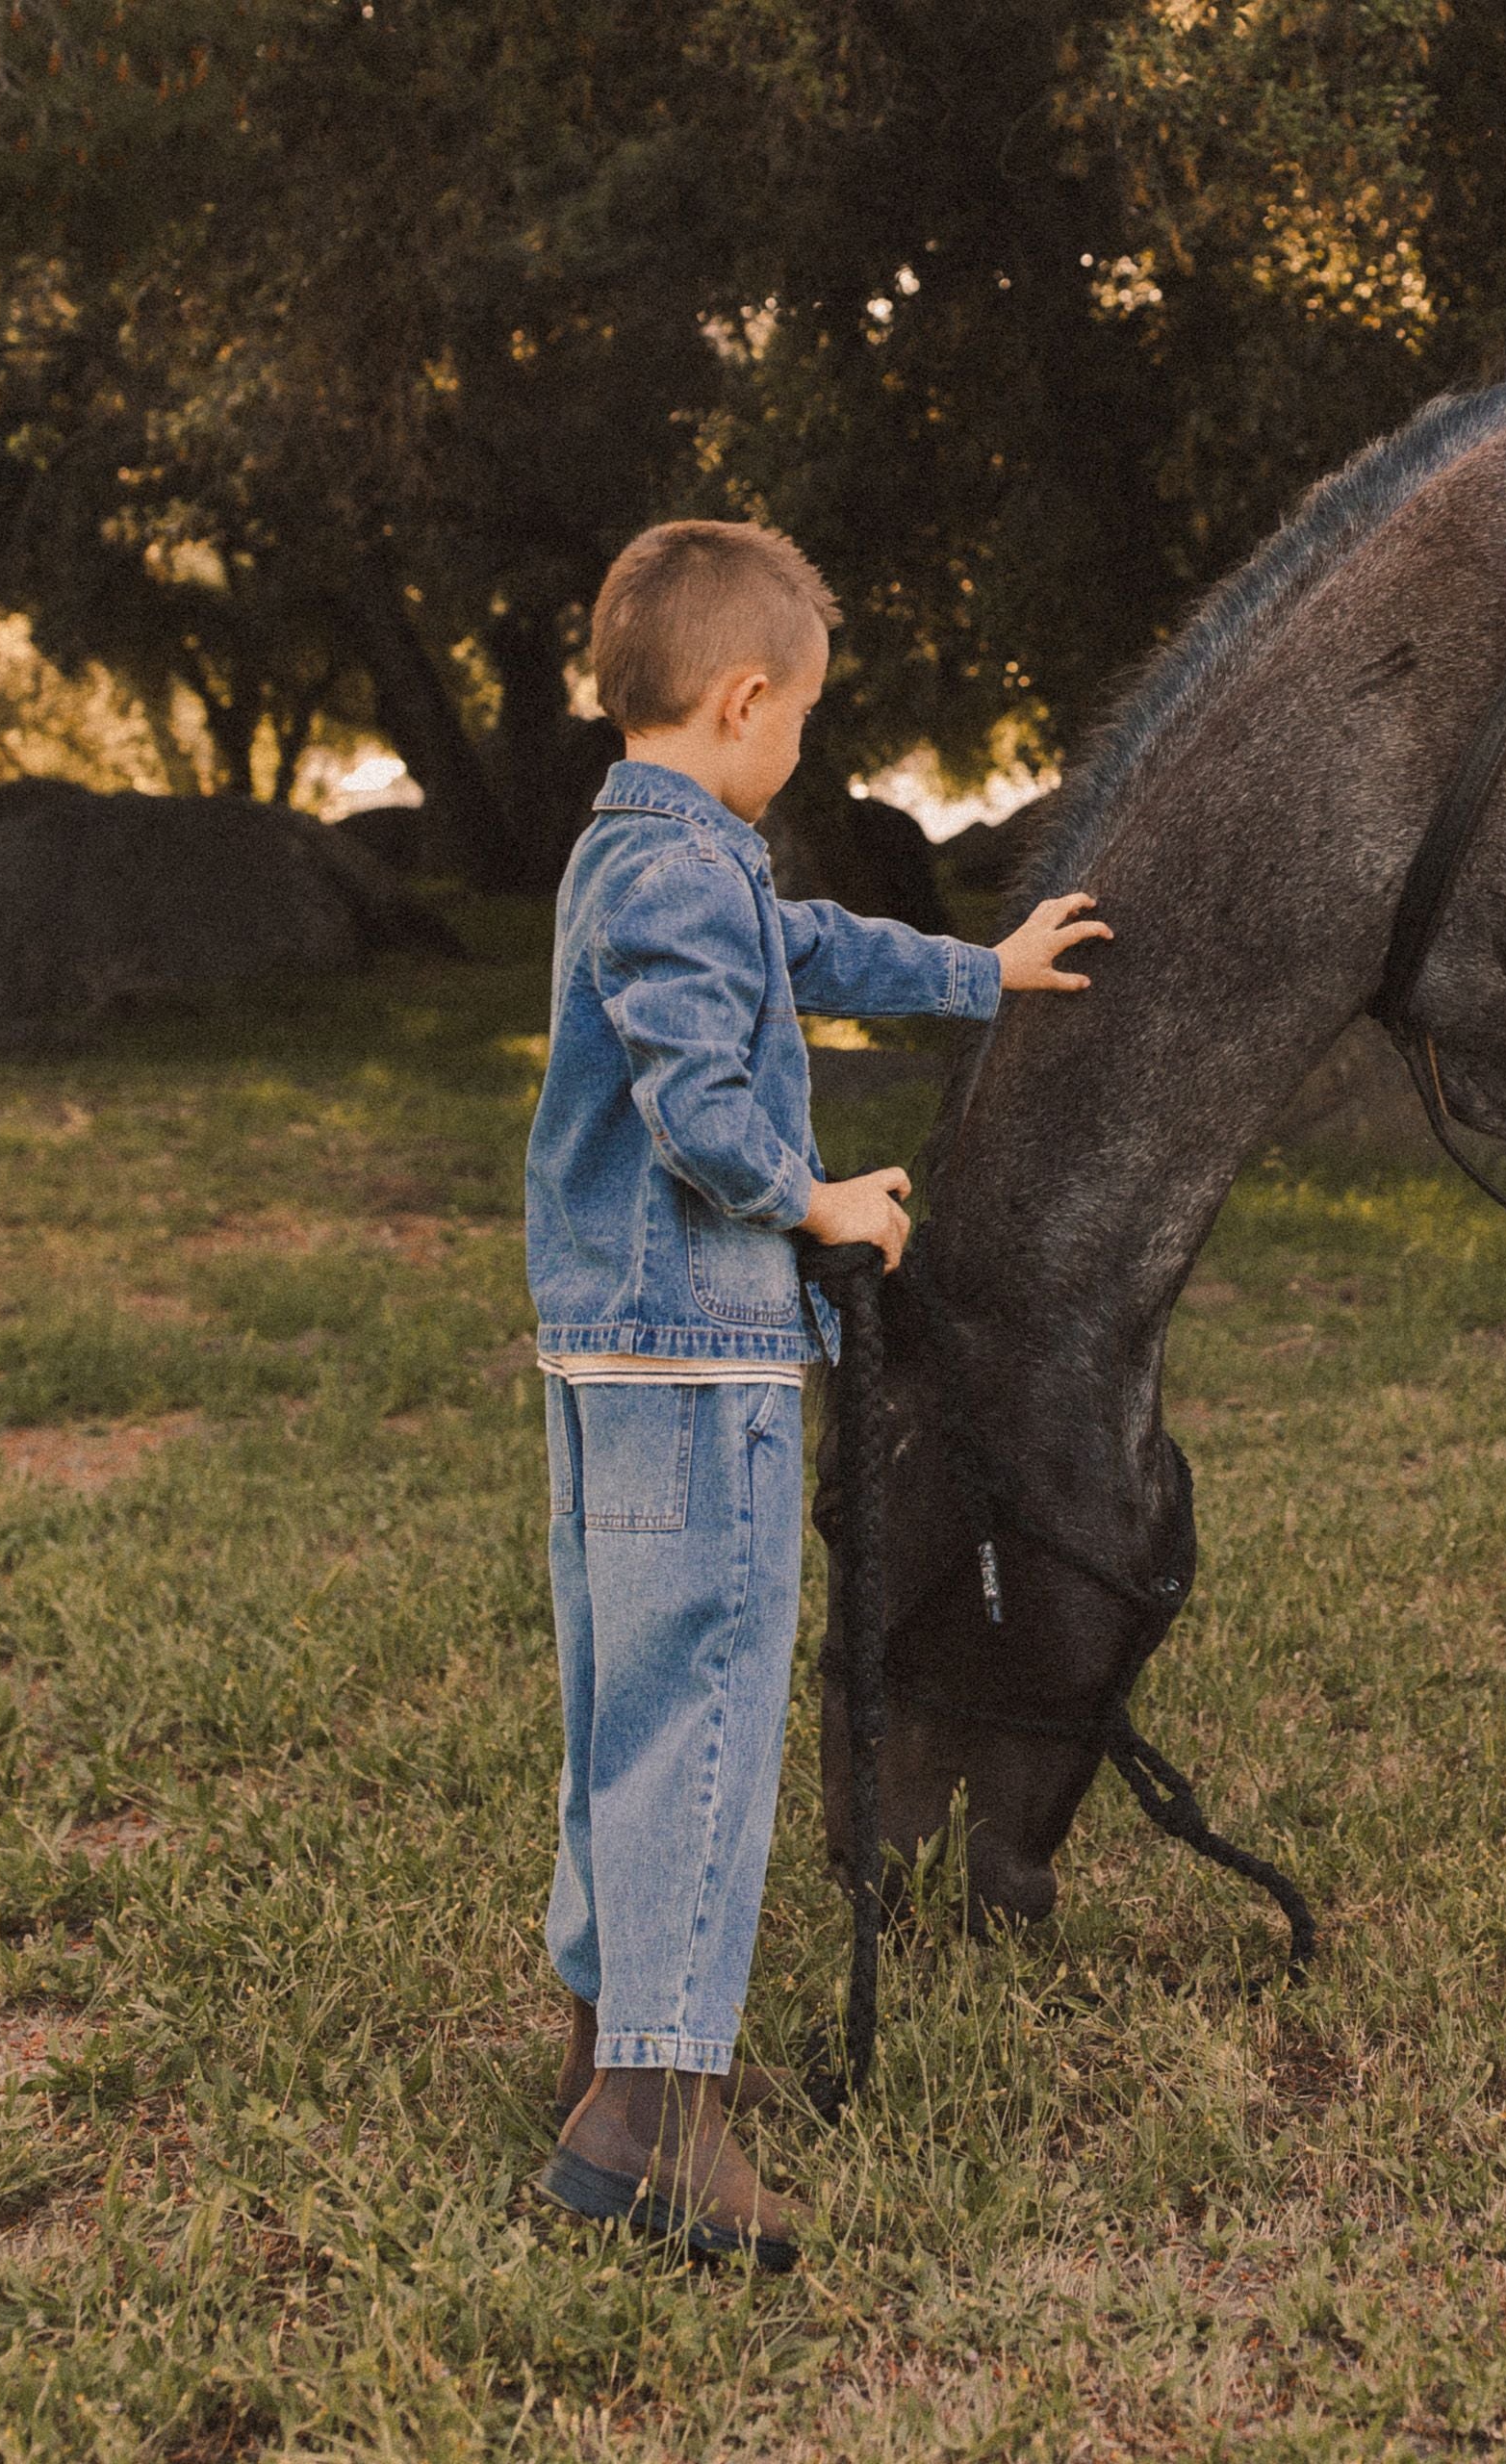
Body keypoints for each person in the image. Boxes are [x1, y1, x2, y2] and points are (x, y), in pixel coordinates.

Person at [525, 518, 1110, 2269]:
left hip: (614, 1352)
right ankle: (656, 2119)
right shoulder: (680, 874)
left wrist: (979, 976)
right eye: (805, 724)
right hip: (700, 1358)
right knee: (702, 1711)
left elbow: (811, 953)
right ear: (744, 695)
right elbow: (703, 1103)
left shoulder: (639, 851)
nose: (806, 755)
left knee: (626, 1709)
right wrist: (818, 1198)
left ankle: (605, 2058)